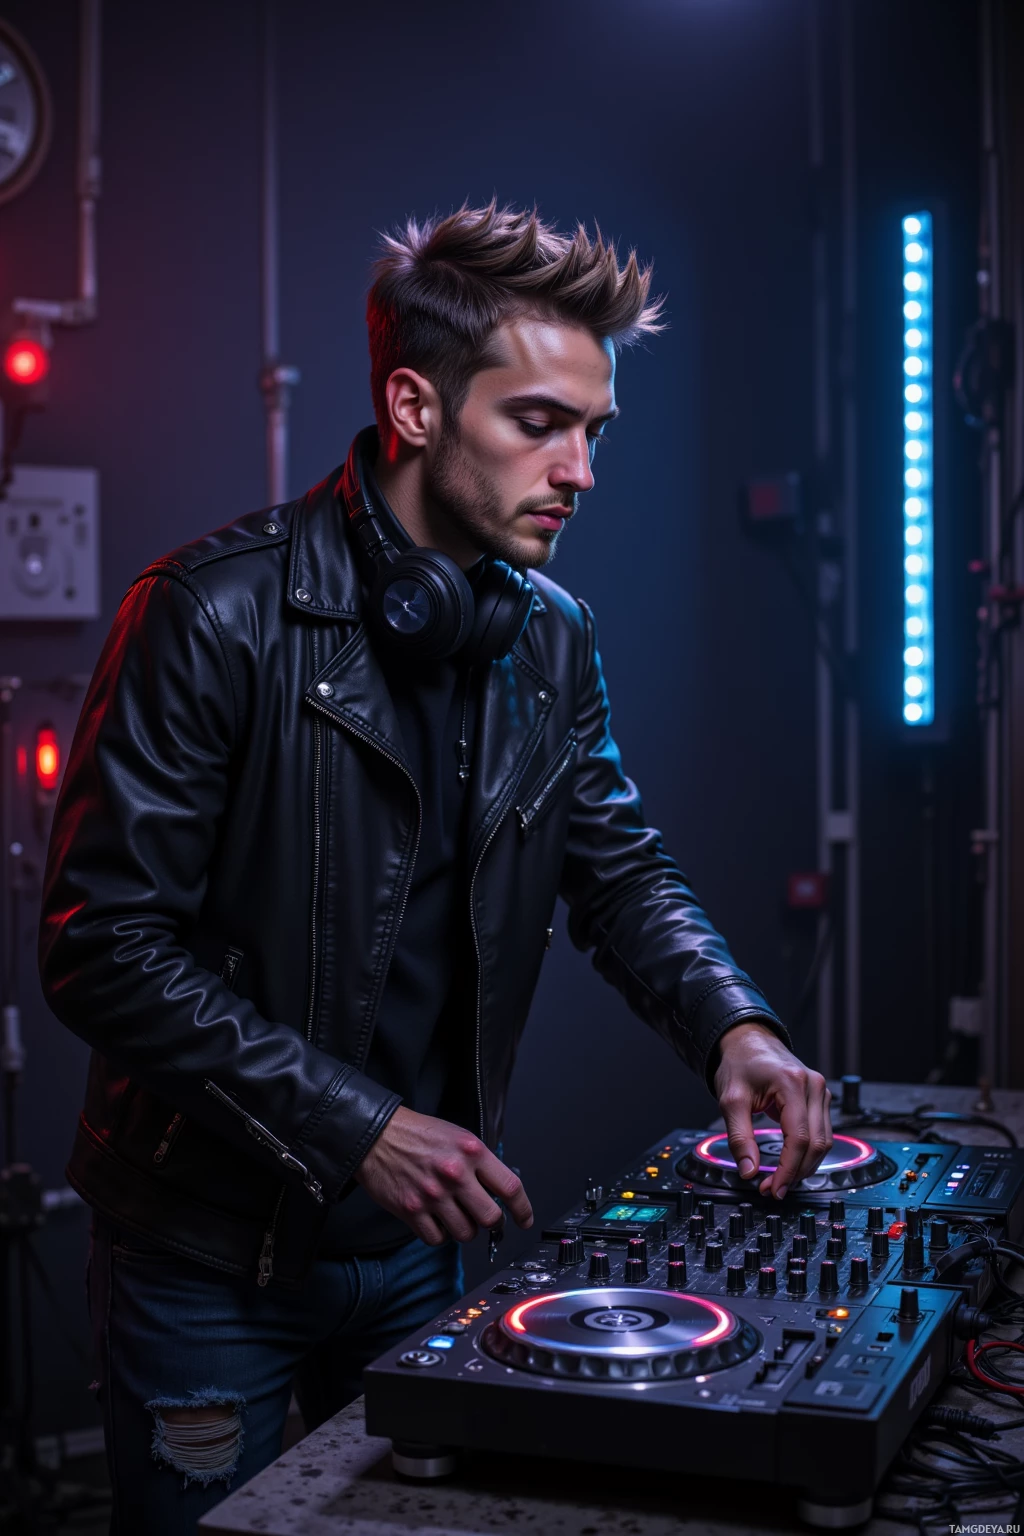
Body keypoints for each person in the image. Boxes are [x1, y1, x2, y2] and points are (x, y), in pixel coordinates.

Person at [39, 202, 832, 1533]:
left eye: (597, 431)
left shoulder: (551, 639)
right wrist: (358, 1126)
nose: (581, 469)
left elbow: (619, 868)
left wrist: (733, 1021)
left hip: (420, 1255)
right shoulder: (208, 615)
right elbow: (99, 946)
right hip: (202, 1257)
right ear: (415, 406)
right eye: (539, 423)